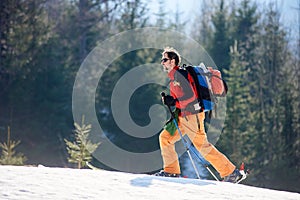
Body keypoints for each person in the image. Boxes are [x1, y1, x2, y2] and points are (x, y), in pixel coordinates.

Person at [154, 47, 242, 183]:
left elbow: (191, 97)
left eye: (165, 60)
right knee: (165, 138)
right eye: (162, 60)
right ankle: (171, 171)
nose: (162, 63)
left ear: (172, 61)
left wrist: (174, 102)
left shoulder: (179, 75)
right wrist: (171, 101)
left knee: (202, 146)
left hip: (192, 116)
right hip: (183, 116)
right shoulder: (174, 77)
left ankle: (230, 172)